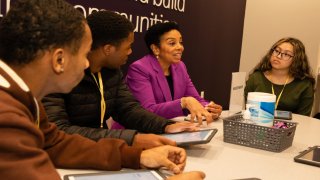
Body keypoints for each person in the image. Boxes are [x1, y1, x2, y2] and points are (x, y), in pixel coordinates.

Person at [0, 0, 206, 179]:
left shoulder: (24, 97)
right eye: (83, 54)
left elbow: (55, 143)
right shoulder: (6, 116)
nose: (86, 64)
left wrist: (136, 155)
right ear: (59, 60)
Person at [42, 10, 198, 150]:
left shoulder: (112, 72)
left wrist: (166, 126)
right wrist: (133, 139)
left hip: (99, 150)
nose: (130, 52)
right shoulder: (59, 74)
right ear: (108, 49)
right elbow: (59, 131)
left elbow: (128, 109)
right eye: (128, 46)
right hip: (66, 155)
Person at [126, 22, 222, 124]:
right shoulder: (139, 68)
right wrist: (183, 102)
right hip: (138, 132)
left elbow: (195, 99)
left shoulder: (180, 66)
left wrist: (209, 108)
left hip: (170, 128)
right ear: (155, 49)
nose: (180, 47)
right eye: (172, 43)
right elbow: (148, 111)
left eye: (180, 42)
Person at [244, 37, 315, 116]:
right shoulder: (255, 78)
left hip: (292, 127)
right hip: (258, 125)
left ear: (296, 60)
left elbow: (304, 118)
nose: (278, 56)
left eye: (286, 54)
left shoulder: (304, 85)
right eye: (277, 51)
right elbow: (247, 110)